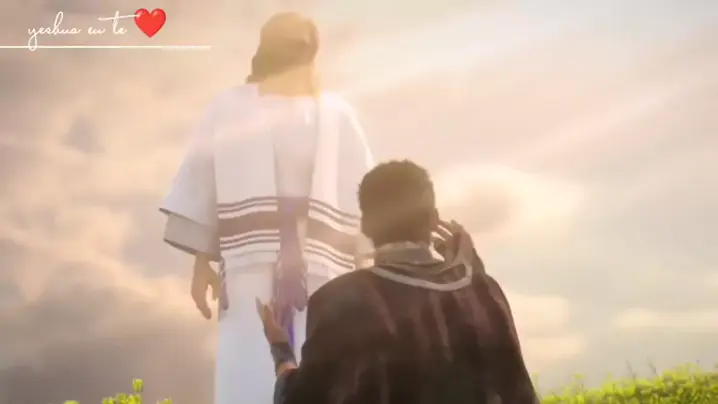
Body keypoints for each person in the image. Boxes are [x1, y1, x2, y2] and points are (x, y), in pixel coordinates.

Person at [159, 12, 374, 404]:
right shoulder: (229, 107)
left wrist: (364, 270)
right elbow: (204, 179)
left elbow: (361, 193)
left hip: (321, 266)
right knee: (248, 366)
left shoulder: (337, 114)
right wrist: (202, 262)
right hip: (249, 261)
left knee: (325, 365)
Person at [257, 160, 539, 404]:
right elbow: (517, 393)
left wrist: (281, 350)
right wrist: (471, 271)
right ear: (434, 219)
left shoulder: (341, 298)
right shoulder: (483, 292)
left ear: (365, 227)